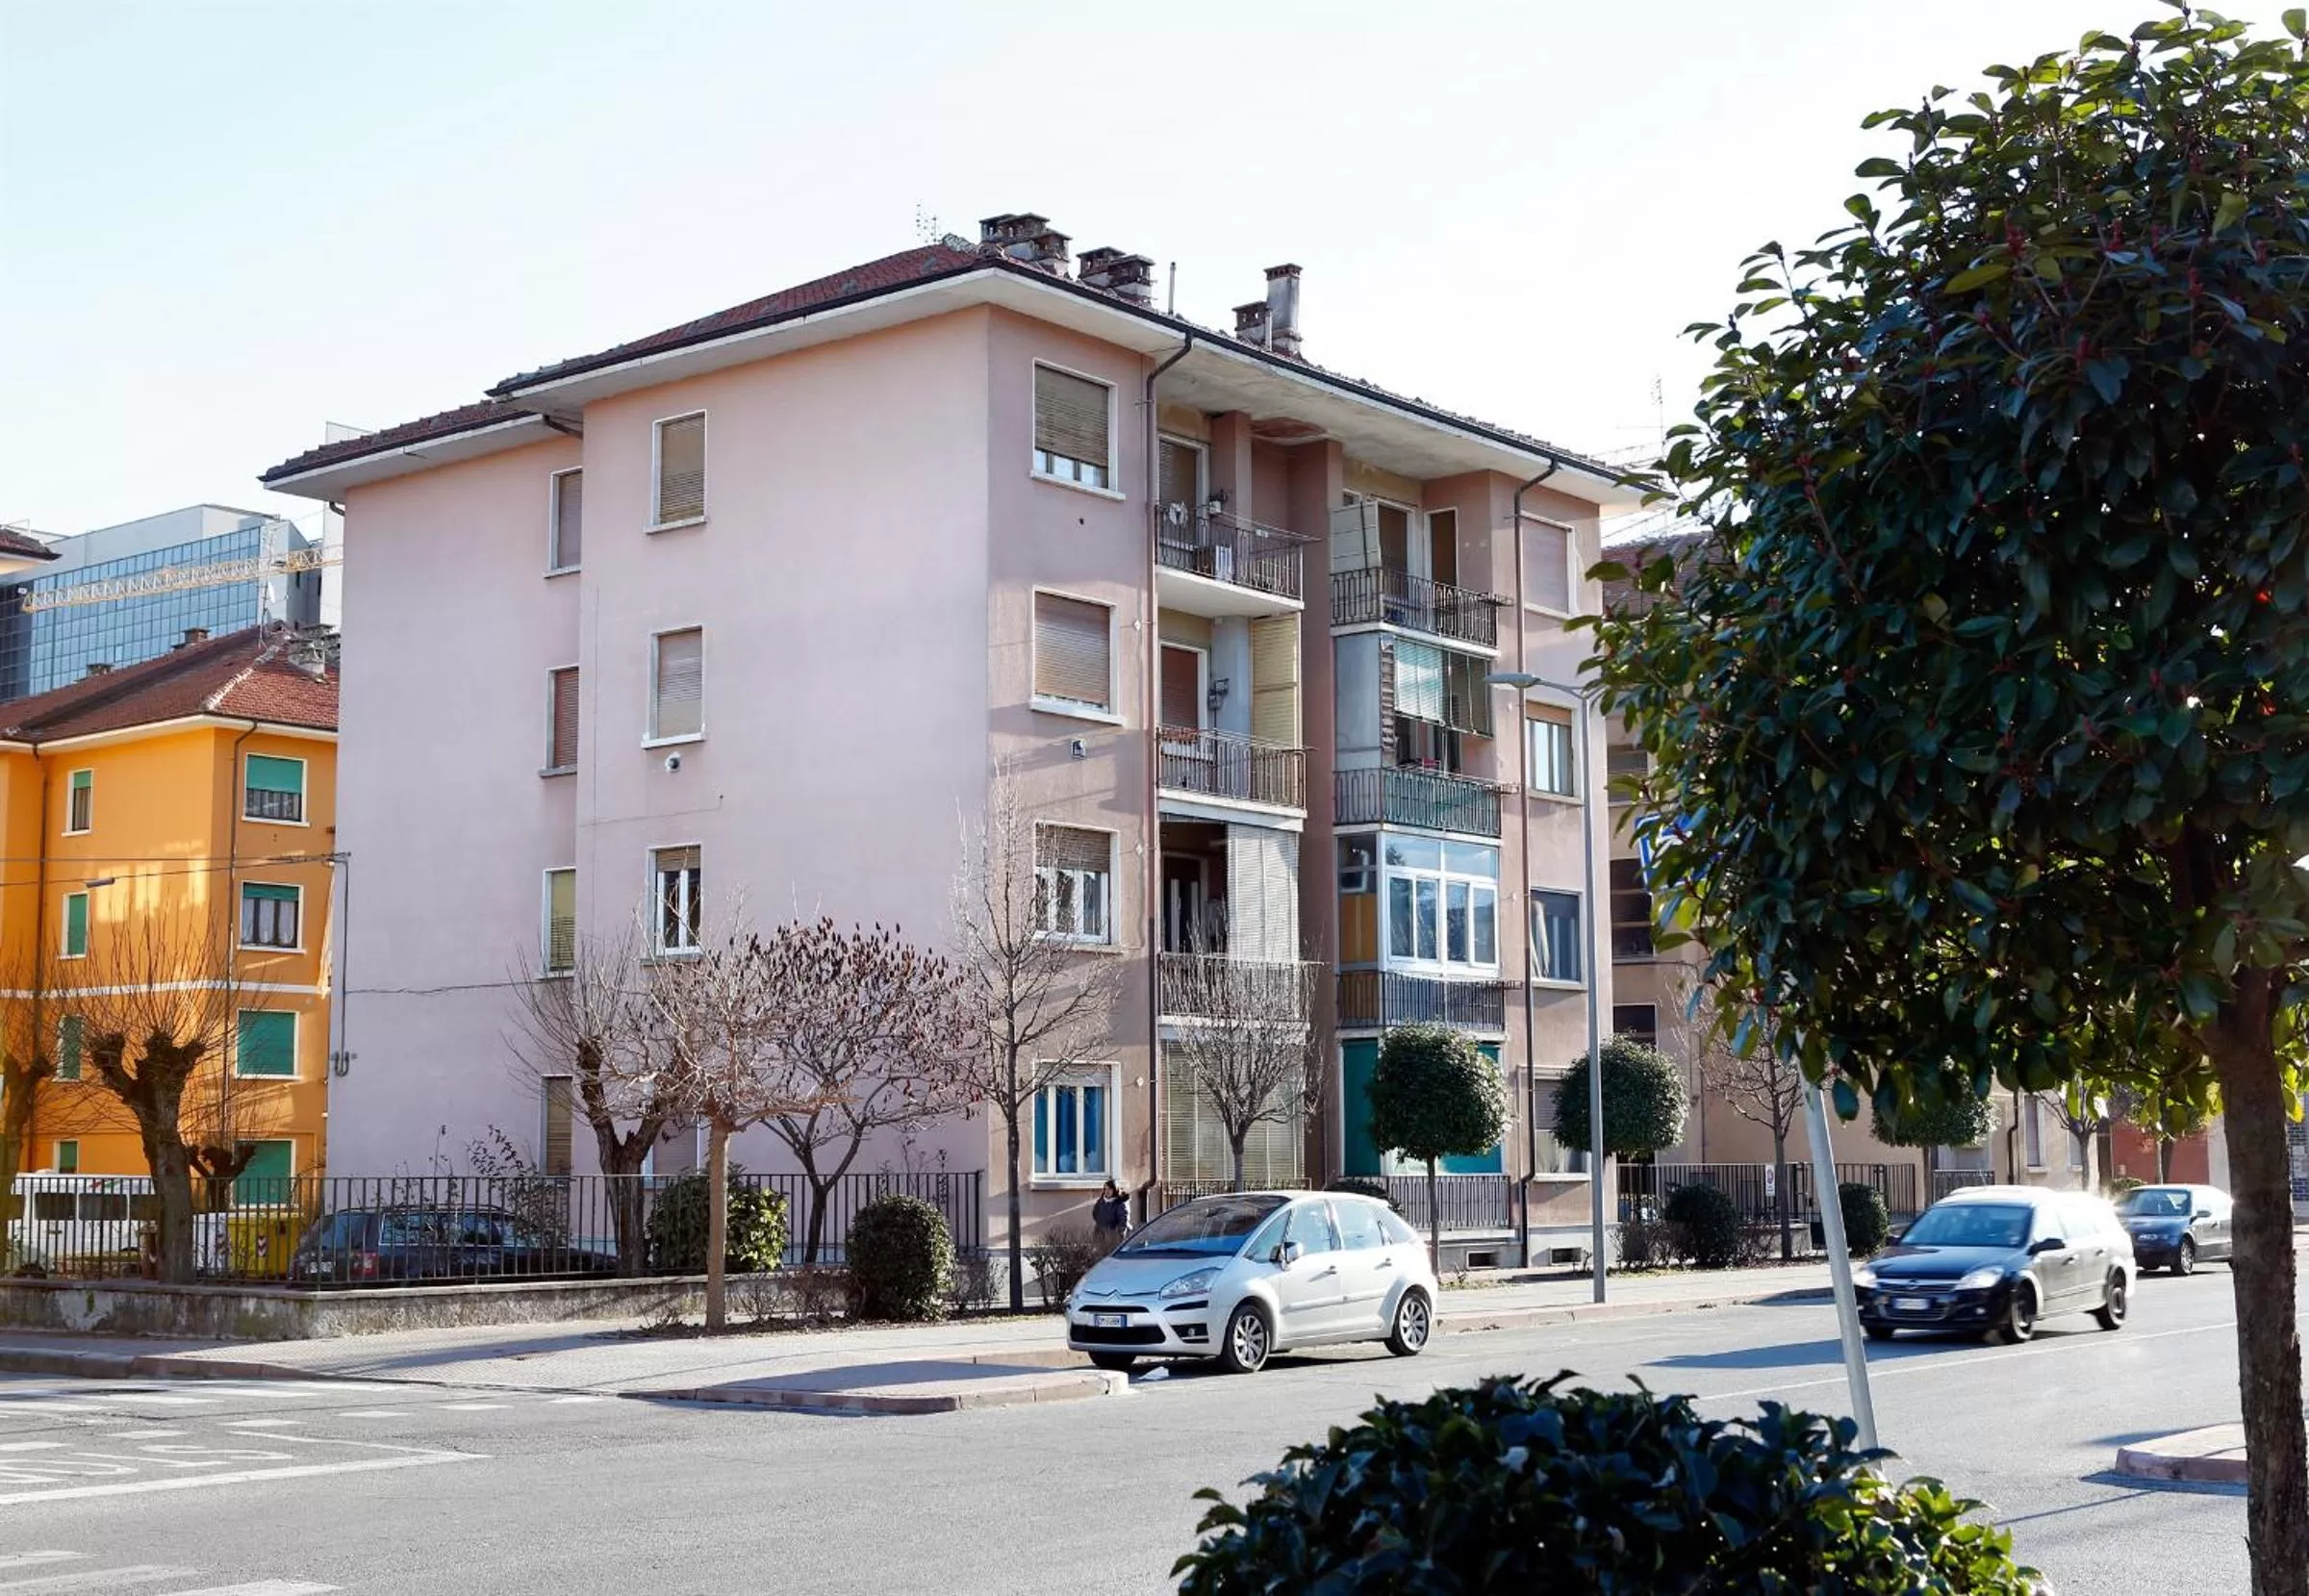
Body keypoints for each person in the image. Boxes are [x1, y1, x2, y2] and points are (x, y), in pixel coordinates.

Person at [1091, 1179, 1130, 1252]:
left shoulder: (1120, 1204)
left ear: (1115, 1190)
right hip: (1101, 1233)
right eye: (1105, 1189)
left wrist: (1117, 1234)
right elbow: (1095, 1213)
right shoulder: (1101, 1201)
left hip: (1114, 1235)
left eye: (1110, 1189)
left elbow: (1123, 1221)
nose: (1107, 1191)